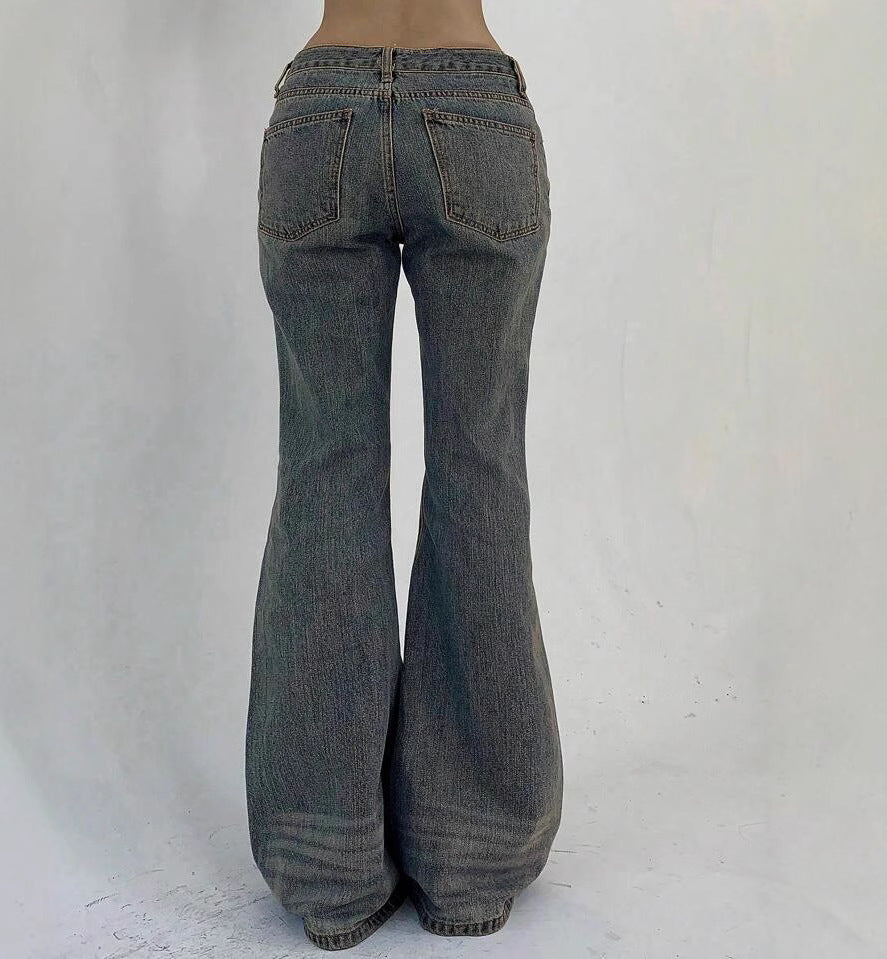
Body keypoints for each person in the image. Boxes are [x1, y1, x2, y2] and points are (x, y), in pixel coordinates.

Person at [245, 1, 563, 950]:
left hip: (320, 110)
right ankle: (472, 856)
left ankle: (326, 864)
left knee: (322, 473)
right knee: (479, 473)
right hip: (473, 111)